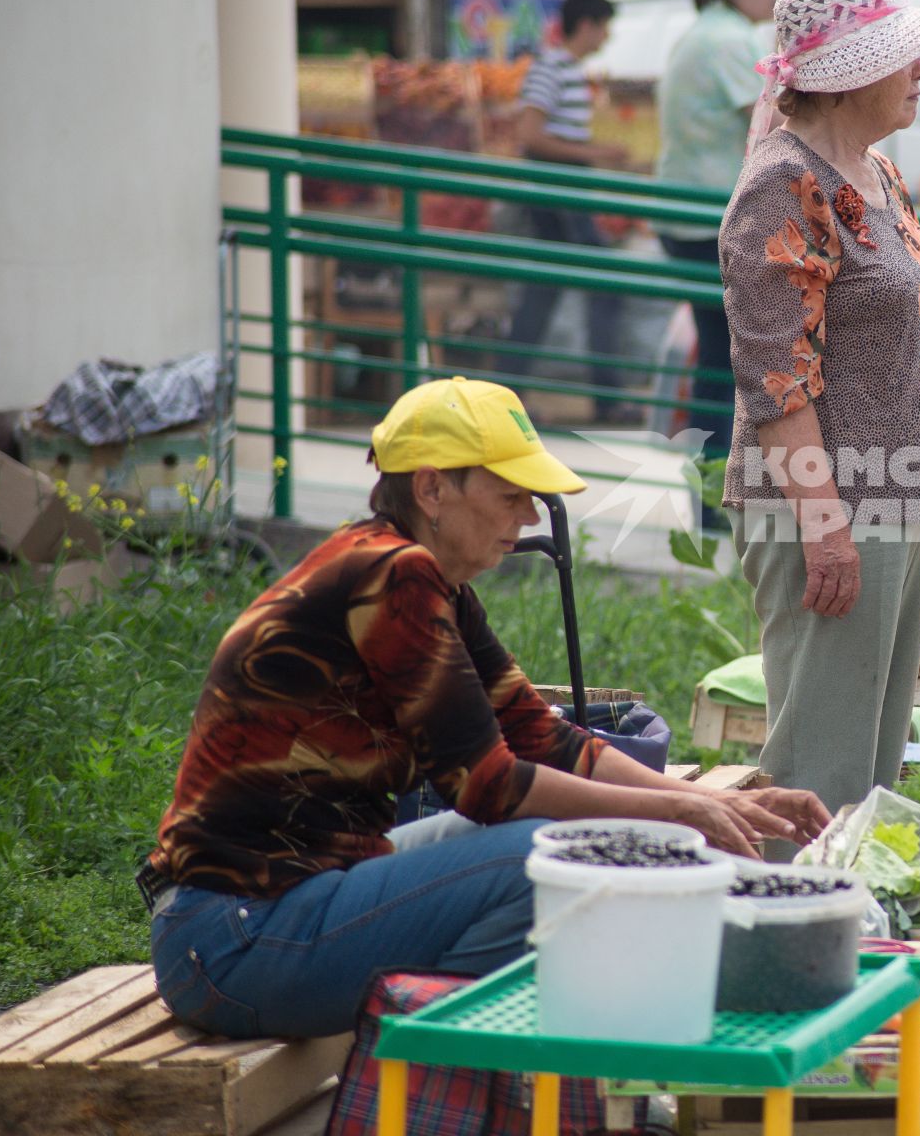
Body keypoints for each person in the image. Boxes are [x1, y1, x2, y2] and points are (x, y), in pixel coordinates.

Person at [142, 378, 830, 1040]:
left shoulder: (418, 575)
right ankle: (461, 1065)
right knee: (545, 858)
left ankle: (464, 1053)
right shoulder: (394, 576)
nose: (528, 517)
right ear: (433, 487)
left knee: (547, 853)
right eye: (511, 496)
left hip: (263, 914)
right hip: (237, 939)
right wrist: (683, 813)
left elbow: (543, 737)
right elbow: (488, 786)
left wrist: (706, 805)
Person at [720, 0, 920, 815]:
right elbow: (776, 381)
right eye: (902, 54)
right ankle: (799, 927)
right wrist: (825, 528)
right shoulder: (782, 186)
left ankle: (855, 931)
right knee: (821, 771)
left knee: (871, 772)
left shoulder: (876, 176)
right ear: (846, 74)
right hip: (826, 511)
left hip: (890, 501)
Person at [657, 0, 796, 456]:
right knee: (729, 361)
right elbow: (778, 121)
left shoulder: (708, 31)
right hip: (710, 217)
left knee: (722, 358)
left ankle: (713, 494)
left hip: (690, 214)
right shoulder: (729, 39)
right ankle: (715, 491)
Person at [499, 0, 634, 419]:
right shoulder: (552, 68)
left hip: (559, 190)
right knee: (604, 284)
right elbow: (530, 136)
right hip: (557, 191)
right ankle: (608, 401)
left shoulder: (565, 69)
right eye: (604, 28)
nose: (606, 38)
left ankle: (508, 395)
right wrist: (596, 155)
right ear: (588, 25)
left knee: (544, 290)